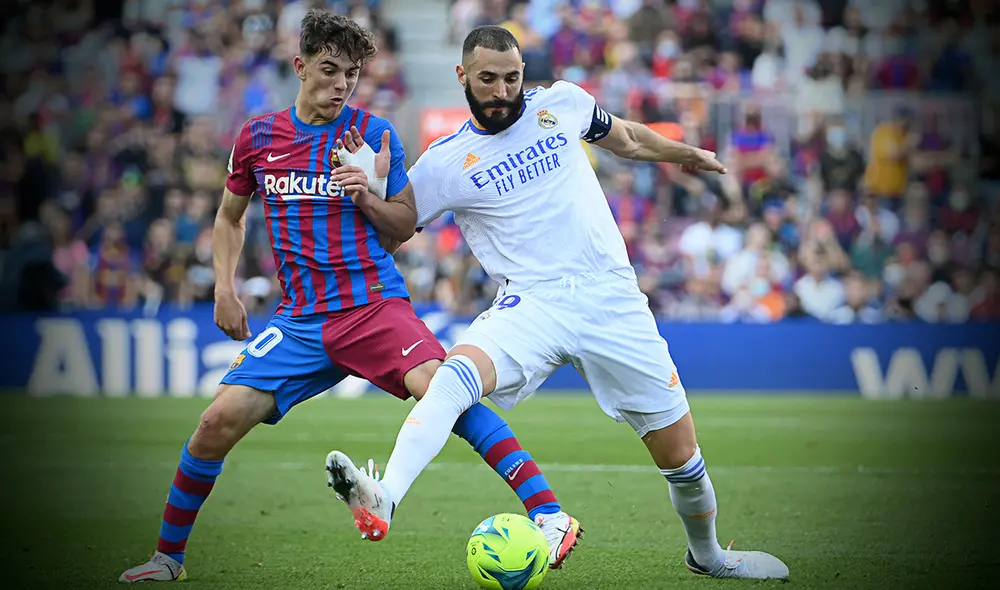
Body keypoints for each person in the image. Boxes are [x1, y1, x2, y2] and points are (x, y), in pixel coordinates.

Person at [118, 13, 579, 584]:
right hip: (301, 322)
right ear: (300, 66)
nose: (341, 84)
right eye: (330, 70)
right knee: (215, 423)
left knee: (444, 393)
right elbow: (229, 218)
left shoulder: (374, 135)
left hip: (372, 307)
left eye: (352, 74)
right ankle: (168, 559)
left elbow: (405, 223)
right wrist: (223, 286)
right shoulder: (259, 138)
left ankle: (548, 513)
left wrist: (366, 193)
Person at [326, 25, 789, 580]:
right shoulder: (446, 161)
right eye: (488, 79)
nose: (501, 91)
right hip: (532, 304)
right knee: (453, 378)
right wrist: (371, 190)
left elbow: (629, 139)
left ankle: (708, 555)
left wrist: (685, 153)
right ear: (463, 77)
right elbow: (396, 229)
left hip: (611, 297)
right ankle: (386, 498)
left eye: (512, 78)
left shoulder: (563, 103)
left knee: (683, 462)